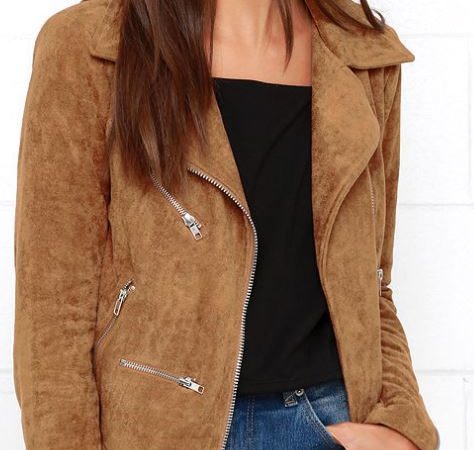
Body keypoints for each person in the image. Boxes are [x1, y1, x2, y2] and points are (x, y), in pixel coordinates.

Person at [13, 0, 440, 449]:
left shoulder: (362, 52)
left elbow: (373, 286)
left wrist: (403, 425)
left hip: (330, 418)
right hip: (157, 430)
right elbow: (52, 309)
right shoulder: (91, 45)